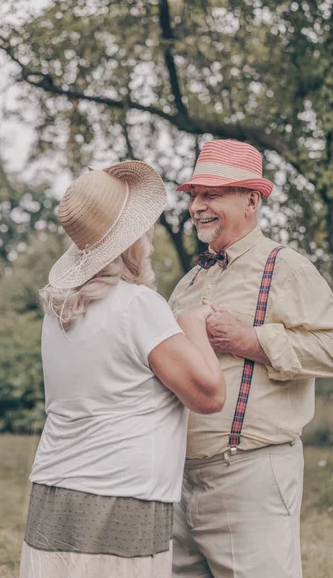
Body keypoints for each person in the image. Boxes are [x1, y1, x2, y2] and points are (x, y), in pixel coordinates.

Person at [19, 160, 226, 578]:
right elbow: (208, 396)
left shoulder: (60, 309)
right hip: (121, 494)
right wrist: (193, 327)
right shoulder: (138, 305)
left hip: (54, 490)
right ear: (133, 238)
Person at [169, 139, 333, 578]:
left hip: (251, 474)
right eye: (195, 194)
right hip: (179, 477)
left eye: (212, 194)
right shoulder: (188, 282)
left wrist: (248, 340)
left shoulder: (286, 267)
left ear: (252, 200)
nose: (197, 205)